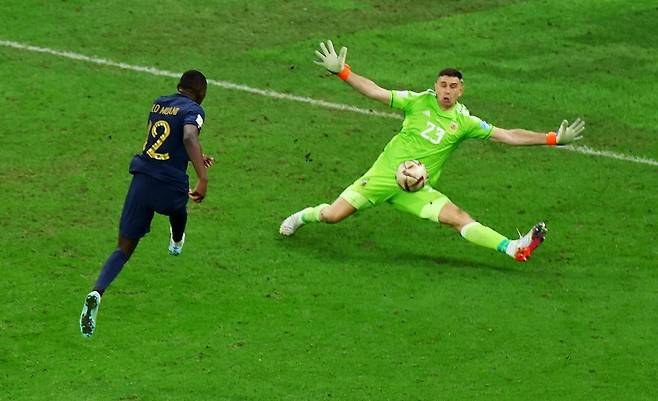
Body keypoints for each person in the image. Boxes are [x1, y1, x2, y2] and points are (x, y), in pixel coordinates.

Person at [280, 40, 585, 263]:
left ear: (460, 90)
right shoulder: (416, 101)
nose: (447, 90)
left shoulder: (465, 122)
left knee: (458, 217)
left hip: (416, 188)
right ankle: (302, 216)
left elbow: (507, 135)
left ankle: (513, 247)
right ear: (436, 86)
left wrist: (552, 138)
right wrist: (342, 72)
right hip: (383, 177)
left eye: (454, 86)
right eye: (443, 85)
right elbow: (375, 91)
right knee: (333, 216)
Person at [79, 70, 214, 337]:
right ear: (201, 93)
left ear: (179, 86)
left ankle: (97, 291)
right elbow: (188, 136)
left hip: (141, 179)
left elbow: (166, 142)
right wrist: (202, 176)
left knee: (123, 249)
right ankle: (176, 241)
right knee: (180, 206)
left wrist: (198, 155)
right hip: (169, 182)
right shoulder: (194, 109)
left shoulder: (158, 103)